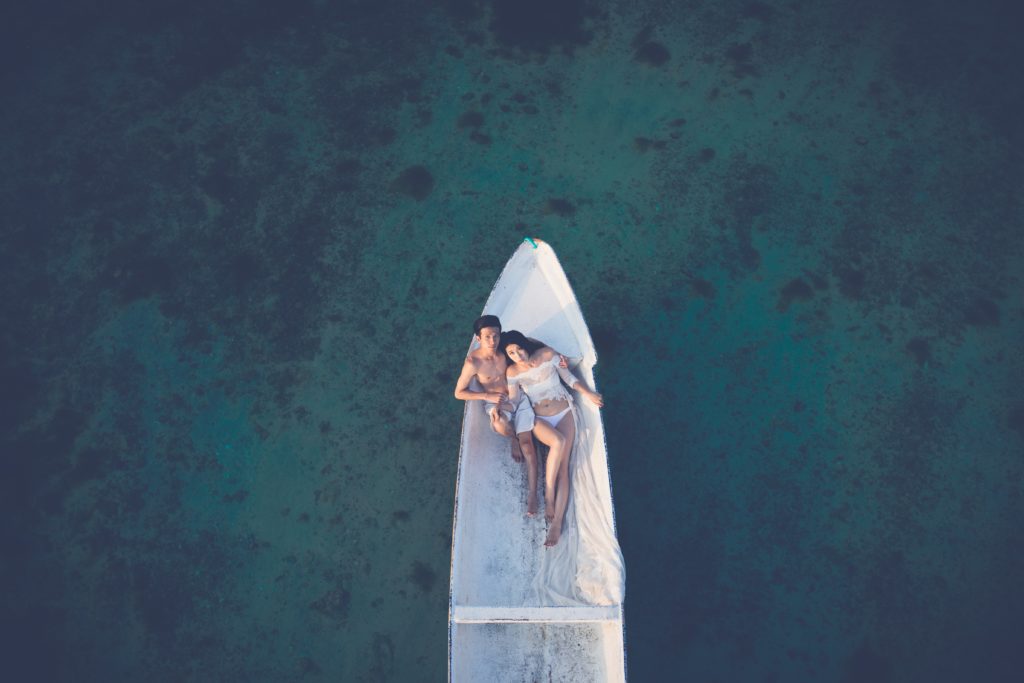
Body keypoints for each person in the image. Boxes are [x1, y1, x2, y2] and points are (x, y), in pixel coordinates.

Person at [454, 315, 568, 517]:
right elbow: (458, 393)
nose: (492, 341)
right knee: (499, 423)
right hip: (495, 401)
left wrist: (559, 355)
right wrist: (486, 396)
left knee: (528, 448)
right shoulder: (473, 362)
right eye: (487, 337)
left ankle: (532, 495)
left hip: (518, 397)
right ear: (478, 338)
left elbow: (528, 343)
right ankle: (512, 437)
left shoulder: (504, 347)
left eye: (496, 336)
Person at [500, 330, 603, 547]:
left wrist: (588, 393)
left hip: (564, 413)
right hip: (539, 419)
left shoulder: (547, 354)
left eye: (519, 349)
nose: (518, 355)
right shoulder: (512, 372)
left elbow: (569, 379)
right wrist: (498, 409)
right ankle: (548, 496)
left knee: (563, 468)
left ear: (525, 345)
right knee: (558, 442)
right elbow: (514, 401)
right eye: (511, 353)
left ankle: (556, 523)